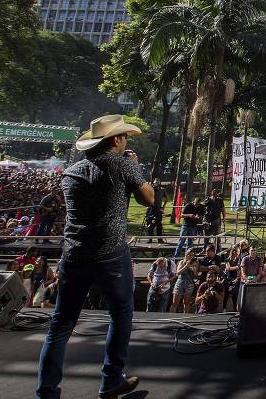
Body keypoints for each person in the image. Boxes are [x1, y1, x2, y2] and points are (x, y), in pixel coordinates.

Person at [37, 114, 154, 399]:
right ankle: (111, 379)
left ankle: (47, 391)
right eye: (124, 136)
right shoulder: (123, 165)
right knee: (121, 313)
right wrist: (136, 168)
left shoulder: (72, 171)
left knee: (61, 324)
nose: (125, 140)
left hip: (74, 253)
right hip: (110, 252)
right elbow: (148, 198)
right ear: (115, 140)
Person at [170, 249, 198, 313]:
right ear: (186, 254)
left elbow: (196, 275)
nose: (190, 256)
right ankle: (171, 315)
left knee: (186, 302)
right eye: (188, 254)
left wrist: (193, 267)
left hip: (189, 283)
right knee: (175, 302)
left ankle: (185, 316)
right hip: (180, 282)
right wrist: (186, 265)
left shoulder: (195, 263)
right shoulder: (182, 262)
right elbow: (178, 273)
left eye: (192, 255)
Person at [145, 179, 166, 244]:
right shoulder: (151, 189)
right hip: (151, 209)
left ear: (159, 183)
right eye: (155, 182)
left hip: (158, 210)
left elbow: (166, 199)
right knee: (149, 224)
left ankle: (160, 240)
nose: (156, 184)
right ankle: (150, 239)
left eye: (157, 182)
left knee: (159, 225)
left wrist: (163, 207)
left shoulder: (163, 189)